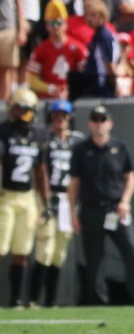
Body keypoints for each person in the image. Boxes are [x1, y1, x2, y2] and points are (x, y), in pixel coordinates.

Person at [67, 105, 134, 305]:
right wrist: (72, 213)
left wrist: (125, 201)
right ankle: (99, 301)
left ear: (110, 123)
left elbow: (130, 177)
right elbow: (74, 183)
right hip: (91, 209)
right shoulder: (81, 150)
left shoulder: (119, 147)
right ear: (90, 123)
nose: (99, 124)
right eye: (95, 120)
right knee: (94, 257)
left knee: (131, 251)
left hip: (116, 208)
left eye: (103, 120)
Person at [28, 100, 84, 307]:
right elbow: (38, 170)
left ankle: (50, 301)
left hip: (68, 200)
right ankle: (33, 299)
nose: (60, 119)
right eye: (56, 116)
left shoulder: (77, 141)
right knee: (45, 248)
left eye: (63, 115)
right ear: (50, 118)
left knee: (60, 252)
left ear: (69, 118)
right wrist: (44, 199)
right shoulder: (45, 139)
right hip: (48, 198)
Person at [0, 89, 45, 307]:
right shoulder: (3, 131)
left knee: (22, 250)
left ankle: (15, 298)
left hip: (27, 197)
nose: (22, 113)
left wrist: (45, 202)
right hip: (5, 195)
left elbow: (40, 171)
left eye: (26, 109)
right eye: (19, 108)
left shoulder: (37, 134)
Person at [27, 0, 87, 100]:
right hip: (47, 99)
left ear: (66, 24)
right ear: (46, 25)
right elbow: (32, 79)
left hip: (71, 97)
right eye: (52, 23)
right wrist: (50, 89)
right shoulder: (40, 50)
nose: (55, 26)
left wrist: (70, 89)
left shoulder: (78, 48)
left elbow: (85, 76)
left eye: (59, 22)